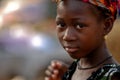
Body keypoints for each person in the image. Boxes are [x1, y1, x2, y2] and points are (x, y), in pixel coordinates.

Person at [45, 0, 120, 80]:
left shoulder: (113, 77)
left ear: (106, 25)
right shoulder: (72, 70)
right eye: (61, 25)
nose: (67, 36)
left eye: (79, 26)